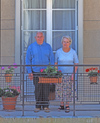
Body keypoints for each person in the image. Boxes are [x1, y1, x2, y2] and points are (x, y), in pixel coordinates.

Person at [26, 32, 54, 112]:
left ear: (43, 37)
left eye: (41, 36)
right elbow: (28, 60)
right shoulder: (31, 47)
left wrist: (51, 71)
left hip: (46, 72)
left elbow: (51, 59)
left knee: (46, 89)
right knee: (38, 89)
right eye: (38, 37)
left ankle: (46, 106)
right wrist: (29, 71)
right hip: (36, 72)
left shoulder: (48, 47)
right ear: (35, 37)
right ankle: (38, 106)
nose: (39, 38)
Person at [55, 36, 79, 113]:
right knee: (60, 89)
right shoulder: (58, 52)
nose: (66, 43)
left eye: (67, 42)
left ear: (70, 43)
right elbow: (56, 63)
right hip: (60, 75)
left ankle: (67, 105)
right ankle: (61, 105)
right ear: (62, 43)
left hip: (69, 74)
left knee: (68, 90)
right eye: (64, 42)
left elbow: (76, 64)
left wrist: (73, 74)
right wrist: (56, 73)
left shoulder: (73, 52)